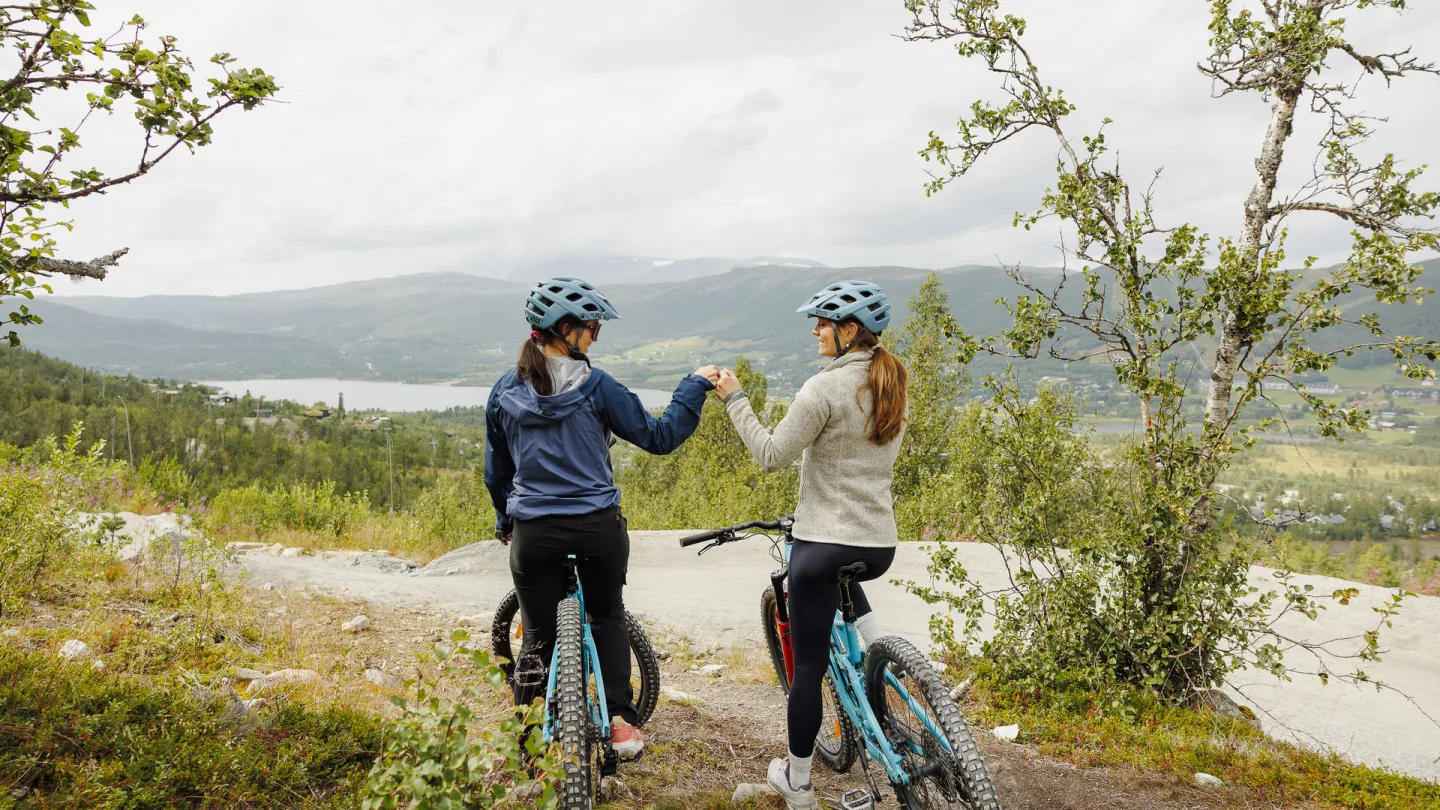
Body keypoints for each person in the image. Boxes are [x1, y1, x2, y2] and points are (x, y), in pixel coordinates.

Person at [484, 276, 719, 758]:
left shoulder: (504, 391)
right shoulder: (598, 387)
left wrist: (506, 521)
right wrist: (693, 386)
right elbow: (659, 437)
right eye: (593, 328)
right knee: (607, 615)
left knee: (538, 635)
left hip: (535, 532)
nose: (596, 337)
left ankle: (530, 741)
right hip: (598, 528)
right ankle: (620, 721)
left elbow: (497, 472)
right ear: (566, 330)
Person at [712, 280, 908, 810]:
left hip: (821, 545)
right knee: (847, 584)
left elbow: (772, 454)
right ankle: (893, 668)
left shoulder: (822, 390)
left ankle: (797, 782)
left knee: (808, 668)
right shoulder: (891, 381)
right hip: (878, 544)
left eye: (823, 322)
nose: (815, 330)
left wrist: (735, 400)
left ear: (849, 332)